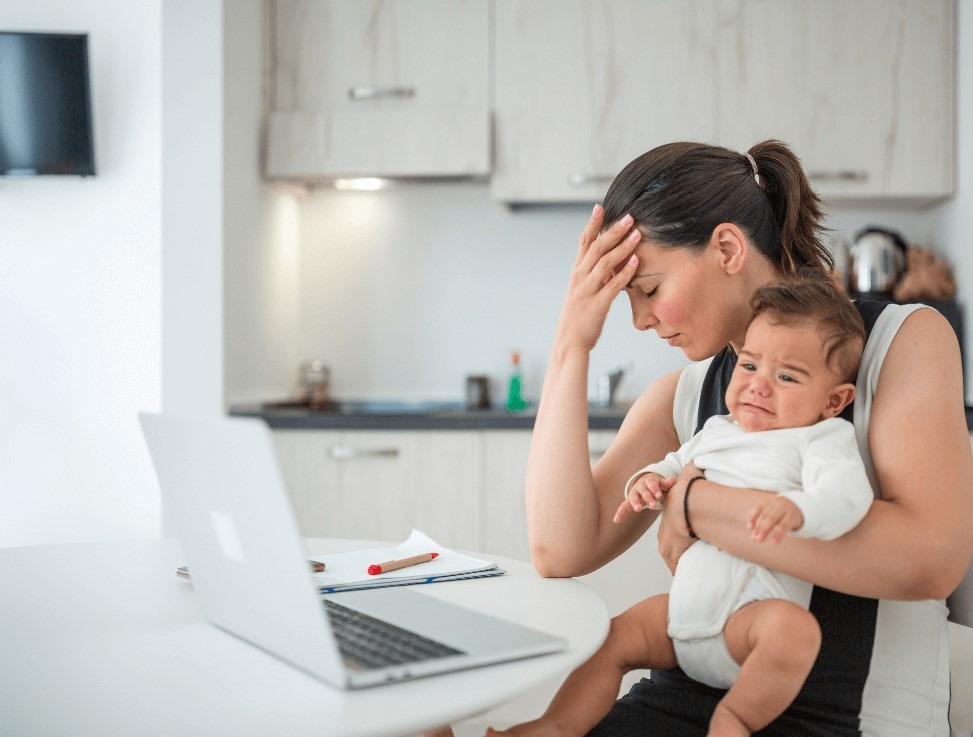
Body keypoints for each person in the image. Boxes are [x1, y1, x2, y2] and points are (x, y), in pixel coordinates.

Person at [520, 140, 973, 736]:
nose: (639, 321)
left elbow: (930, 559)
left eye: (649, 290)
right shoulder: (680, 395)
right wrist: (569, 345)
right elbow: (561, 549)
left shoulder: (900, 341)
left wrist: (692, 503)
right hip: (682, 701)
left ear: (728, 248)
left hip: (845, 720)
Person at [488, 277, 873, 737]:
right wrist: (646, 481)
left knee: (795, 634)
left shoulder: (820, 438)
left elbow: (848, 497)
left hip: (747, 624)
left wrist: (803, 512)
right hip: (681, 617)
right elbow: (672, 464)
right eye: (749, 365)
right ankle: (556, 725)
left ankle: (733, 720)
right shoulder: (717, 429)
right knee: (613, 636)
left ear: (834, 400)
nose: (758, 387)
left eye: (787, 376)